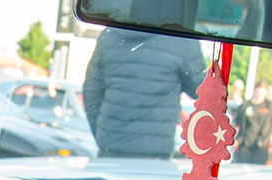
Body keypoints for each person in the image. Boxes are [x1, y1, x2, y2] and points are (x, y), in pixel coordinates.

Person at [81, 28, 205, 158]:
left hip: (110, 149)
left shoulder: (109, 36)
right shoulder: (181, 38)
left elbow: (91, 93)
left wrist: (103, 133)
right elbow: (202, 90)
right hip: (157, 152)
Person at [234, 79, 272, 164]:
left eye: (262, 90)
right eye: (258, 89)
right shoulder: (246, 105)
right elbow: (237, 123)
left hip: (260, 146)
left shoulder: (269, 106)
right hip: (245, 143)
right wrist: (235, 138)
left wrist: (265, 139)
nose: (259, 93)